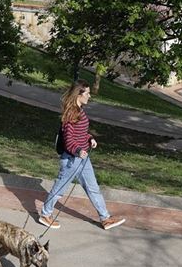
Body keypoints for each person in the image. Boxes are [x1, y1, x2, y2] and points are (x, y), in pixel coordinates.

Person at [36, 80, 125, 231]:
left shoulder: (80, 110)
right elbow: (68, 139)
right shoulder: (71, 113)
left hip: (83, 158)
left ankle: (105, 218)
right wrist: (77, 151)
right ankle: (45, 215)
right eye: (87, 93)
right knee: (60, 189)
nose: (89, 96)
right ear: (79, 94)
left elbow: (81, 133)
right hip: (72, 159)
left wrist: (90, 139)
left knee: (93, 188)